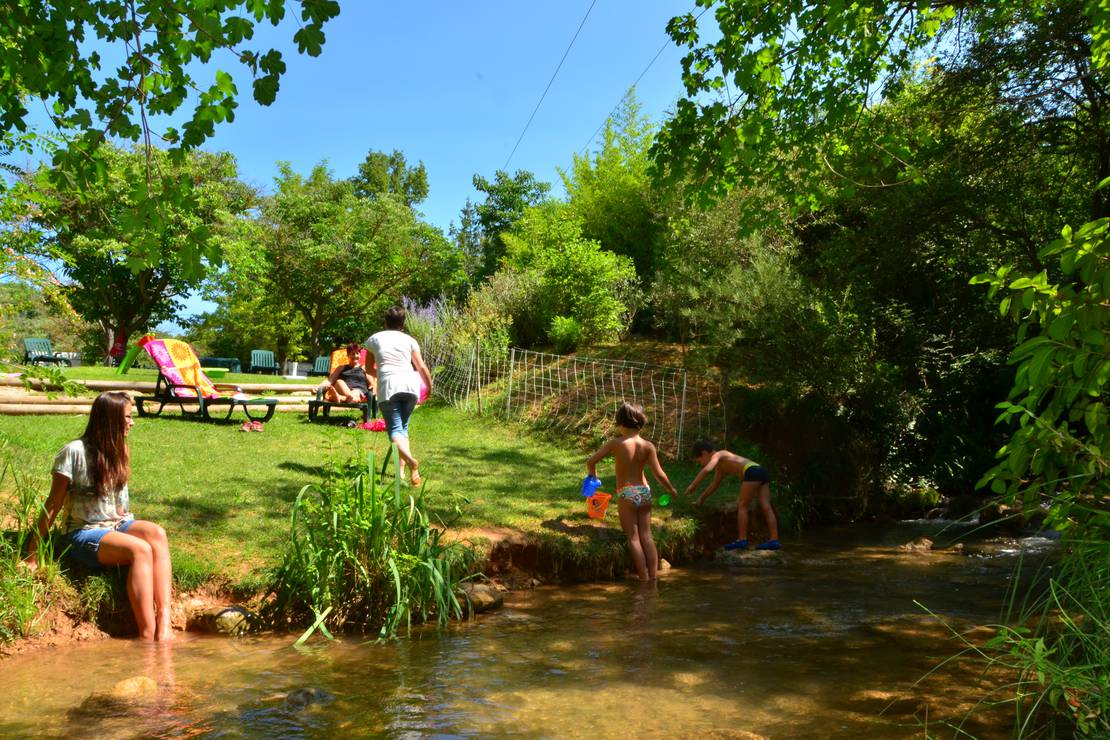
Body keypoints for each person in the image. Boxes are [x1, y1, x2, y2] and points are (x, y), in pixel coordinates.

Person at [25, 391, 174, 641]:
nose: (132, 422)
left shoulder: (121, 449)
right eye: (128, 417)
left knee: (157, 534)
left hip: (118, 524)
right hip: (82, 533)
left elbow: (119, 508)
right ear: (110, 419)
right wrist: (32, 552)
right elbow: (53, 503)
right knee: (140, 550)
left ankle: (165, 624)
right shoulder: (73, 452)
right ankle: (147, 637)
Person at [586, 402, 678, 581]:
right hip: (645, 492)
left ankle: (643, 578)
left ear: (621, 424)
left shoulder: (616, 443)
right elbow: (659, 474)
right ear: (640, 424)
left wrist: (593, 478)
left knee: (634, 539)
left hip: (627, 493)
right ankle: (654, 578)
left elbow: (591, 461)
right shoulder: (648, 446)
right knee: (647, 536)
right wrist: (671, 489)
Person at [365, 305, 433, 486]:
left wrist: (377, 377)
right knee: (403, 429)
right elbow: (421, 367)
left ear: (385, 321)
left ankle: (412, 462)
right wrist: (429, 387)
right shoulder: (410, 340)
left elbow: (369, 368)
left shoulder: (374, 339)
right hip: (411, 386)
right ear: (403, 323)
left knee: (394, 431)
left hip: (389, 387)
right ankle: (402, 473)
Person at [684, 439, 781, 551]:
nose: (700, 464)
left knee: (742, 505)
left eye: (699, 461)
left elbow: (707, 469)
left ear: (704, 453)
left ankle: (742, 540)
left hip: (751, 471)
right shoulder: (720, 467)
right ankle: (774, 540)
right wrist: (701, 498)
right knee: (766, 506)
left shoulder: (720, 454)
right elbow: (714, 484)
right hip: (760, 470)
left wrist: (693, 486)